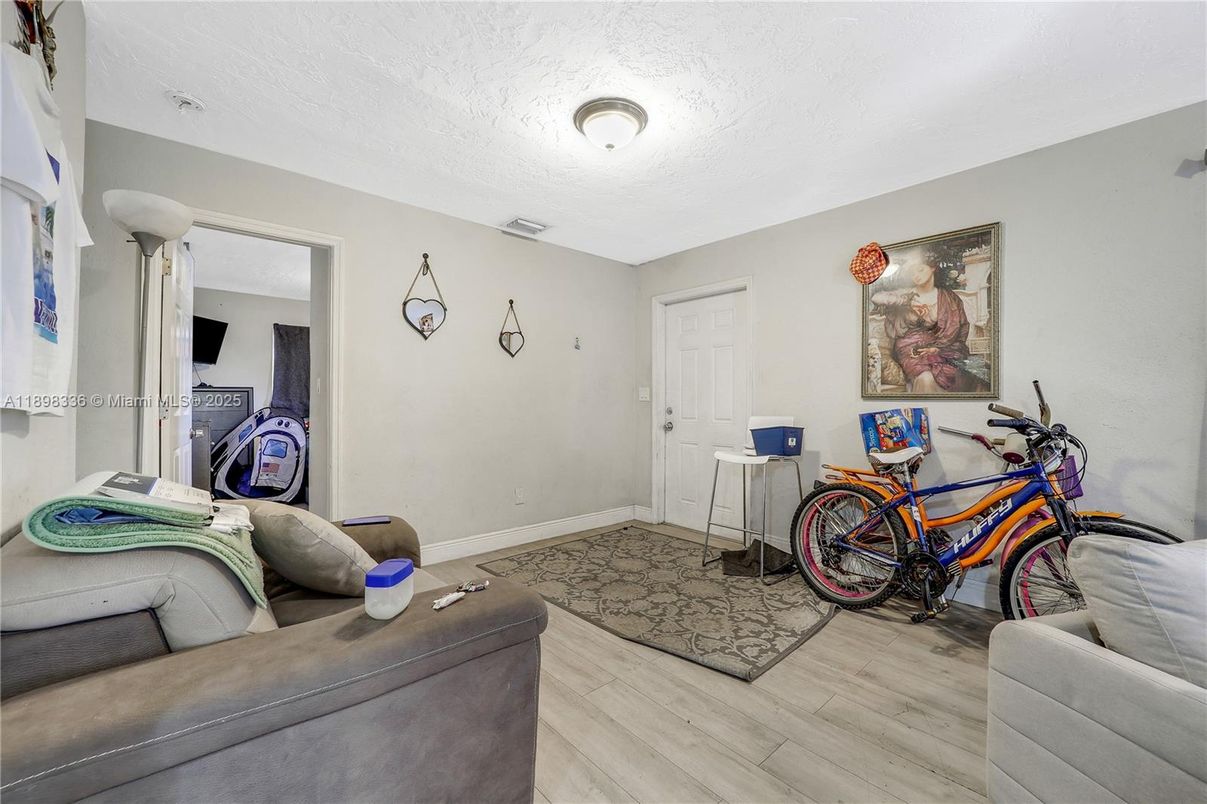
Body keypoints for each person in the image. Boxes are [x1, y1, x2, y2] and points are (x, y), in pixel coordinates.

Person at [871, 252, 988, 394]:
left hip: (943, 347)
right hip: (911, 348)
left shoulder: (949, 298)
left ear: (933, 268)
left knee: (974, 374)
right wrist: (907, 303)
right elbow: (876, 297)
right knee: (926, 378)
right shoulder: (907, 294)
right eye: (912, 272)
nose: (916, 275)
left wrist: (938, 349)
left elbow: (961, 330)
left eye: (920, 269)